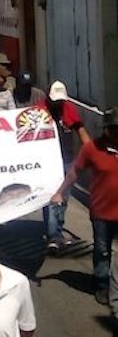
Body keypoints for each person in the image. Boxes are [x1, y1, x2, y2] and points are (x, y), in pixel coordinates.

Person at [51, 107, 115, 305]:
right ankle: (102, 285)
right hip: (102, 212)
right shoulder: (91, 149)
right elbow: (74, 173)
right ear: (106, 129)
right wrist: (59, 192)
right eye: (114, 129)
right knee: (102, 251)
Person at [39, 81, 90, 252]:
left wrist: (92, 153)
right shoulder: (39, 110)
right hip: (46, 161)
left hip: (66, 160)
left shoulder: (68, 108)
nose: (57, 104)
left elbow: (81, 131)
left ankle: (55, 231)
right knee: (51, 197)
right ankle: (54, 235)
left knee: (62, 197)